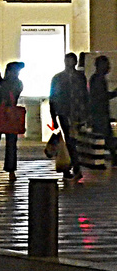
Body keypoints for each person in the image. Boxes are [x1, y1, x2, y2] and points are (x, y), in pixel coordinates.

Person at [50, 52, 88, 181]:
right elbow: (53, 98)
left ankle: (70, 166)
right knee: (70, 140)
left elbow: (84, 96)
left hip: (76, 113)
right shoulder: (60, 78)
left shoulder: (77, 77)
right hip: (65, 113)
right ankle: (74, 167)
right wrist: (53, 116)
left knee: (73, 141)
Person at [89, 55, 117, 166]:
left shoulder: (97, 79)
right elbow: (101, 97)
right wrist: (114, 93)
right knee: (105, 136)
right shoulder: (98, 79)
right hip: (99, 114)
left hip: (100, 113)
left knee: (104, 136)